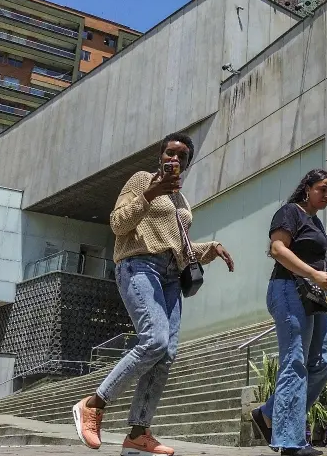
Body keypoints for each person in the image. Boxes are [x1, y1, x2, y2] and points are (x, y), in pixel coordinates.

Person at [71, 133, 235, 456]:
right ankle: (93, 403)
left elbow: (177, 248)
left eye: (181, 156)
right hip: (138, 265)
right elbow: (118, 224)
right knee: (155, 339)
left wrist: (209, 249)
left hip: (171, 277)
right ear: (161, 157)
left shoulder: (182, 201)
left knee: (167, 353)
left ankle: (138, 432)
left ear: (187, 163)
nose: (174, 159)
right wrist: (149, 194)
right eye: (170, 153)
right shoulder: (142, 180)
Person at [250, 169, 327, 456]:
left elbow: (319, 263)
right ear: (307, 188)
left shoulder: (316, 223)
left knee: (323, 361)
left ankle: (269, 413)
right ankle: (289, 441)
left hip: (312, 297)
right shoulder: (290, 212)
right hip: (287, 291)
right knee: (295, 362)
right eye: (323, 189)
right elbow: (278, 249)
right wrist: (314, 273)